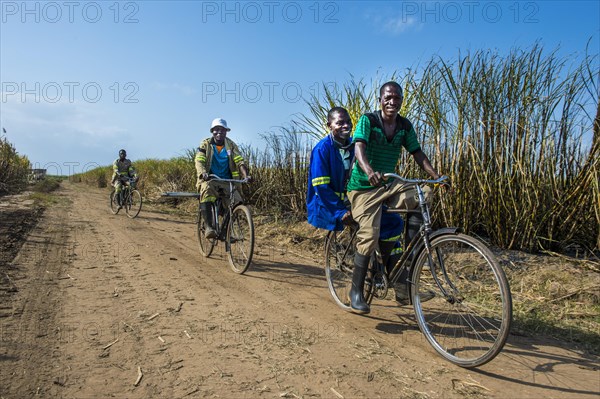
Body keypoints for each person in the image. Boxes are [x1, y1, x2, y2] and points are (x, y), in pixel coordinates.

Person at [346, 82, 446, 314]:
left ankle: (409, 257)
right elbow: (359, 146)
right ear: (380, 99)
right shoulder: (368, 120)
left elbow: (417, 153)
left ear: (401, 100)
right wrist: (369, 171)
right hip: (364, 188)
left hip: (389, 185)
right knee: (369, 235)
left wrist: (436, 176)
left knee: (424, 192)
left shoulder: (404, 125)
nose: (392, 102)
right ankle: (356, 292)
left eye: (397, 98)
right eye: (388, 97)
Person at [306, 106, 404, 277]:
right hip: (332, 206)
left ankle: (398, 281)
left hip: (358, 201)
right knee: (370, 230)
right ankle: (369, 279)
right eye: (340, 123)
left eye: (348, 122)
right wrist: (339, 211)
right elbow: (321, 187)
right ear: (329, 125)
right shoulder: (322, 149)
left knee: (393, 222)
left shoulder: (356, 146)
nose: (346, 126)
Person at [195, 118, 250, 239]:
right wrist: (203, 173)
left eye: (222, 130)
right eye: (216, 130)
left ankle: (226, 231)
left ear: (226, 132)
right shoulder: (206, 144)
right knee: (207, 191)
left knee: (236, 202)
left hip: (227, 180)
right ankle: (209, 227)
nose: (219, 133)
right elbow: (199, 160)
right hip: (210, 179)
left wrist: (246, 176)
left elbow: (239, 161)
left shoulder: (231, 145)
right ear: (212, 131)